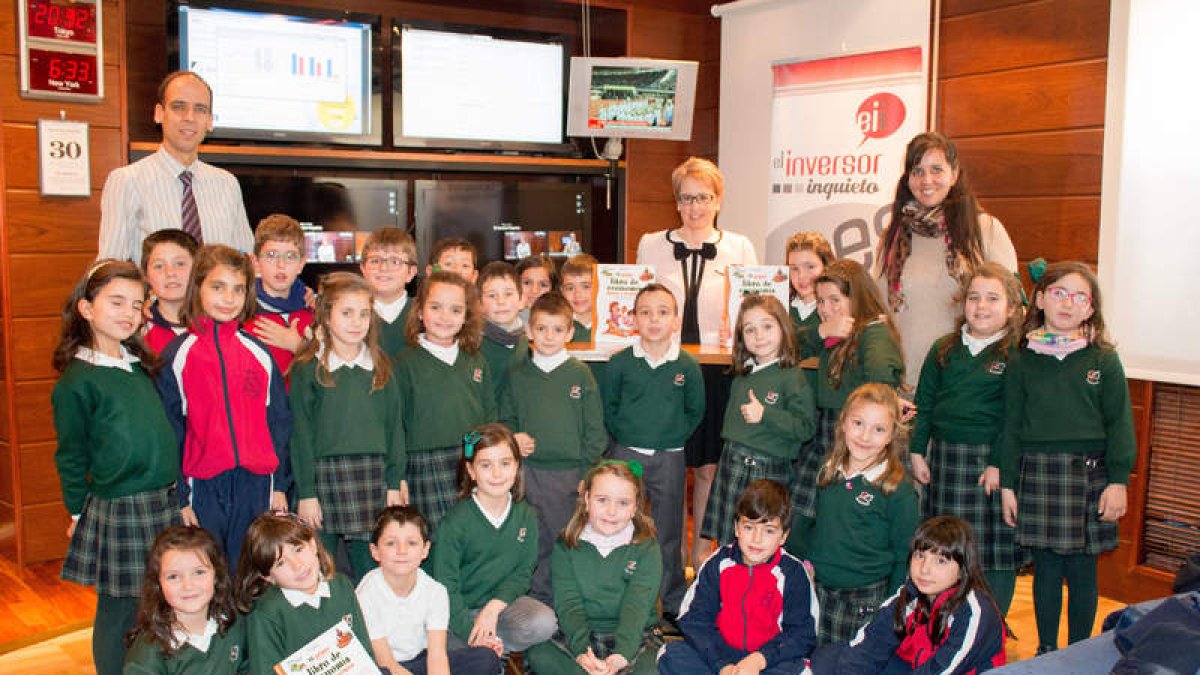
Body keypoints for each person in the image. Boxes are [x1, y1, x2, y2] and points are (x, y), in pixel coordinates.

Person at [51, 260, 181, 674]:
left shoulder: (136, 364)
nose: (129, 313)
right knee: (120, 609)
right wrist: (77, 512)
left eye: (137, 305)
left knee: (155, 601)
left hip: (161, 501)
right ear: (87, 309)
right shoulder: (77, 380)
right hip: (122, 507)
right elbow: (71, 454)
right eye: (117, 302)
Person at [998, 261, 1134, 653]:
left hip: (1088, 475)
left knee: (1081, 569)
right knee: (1046, 568)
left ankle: (1078, 650)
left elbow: (1121, 422)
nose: (1068, 303)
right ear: (1040, 299)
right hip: (1038, 474)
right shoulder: (1022, 359)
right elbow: (1011, 425)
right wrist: (1008, 483)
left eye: (1079, 297)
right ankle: (1046, 650)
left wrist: (1118, 480)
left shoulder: (1102, 359)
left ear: (1090, 308)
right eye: (1058, 293)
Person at [635, 156, 758, 572]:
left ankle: (699, 560)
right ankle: (652, 560)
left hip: (715, 370)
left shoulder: (740, 246)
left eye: (704, 197)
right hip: (663, 366)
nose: (695, 207)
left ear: (718, 200)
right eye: (687, 198)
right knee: (656, 467)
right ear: (676, 202)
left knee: (707, 468)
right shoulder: (651, 244)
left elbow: (753, 307)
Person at [156, 245, 292, 564]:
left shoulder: (259, 354)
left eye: (238, 289)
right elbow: (170, 432)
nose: (228, 299)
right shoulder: (178, 356)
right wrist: (180, 497)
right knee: (209, 570)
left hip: (256, 484)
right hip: (202, 485)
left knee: (251, 572)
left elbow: (279, 425)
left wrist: (279, 485)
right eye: (218, 287)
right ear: (198, 288)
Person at [910, 263, 1025, 614]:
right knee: (945, 547)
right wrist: (917, 450)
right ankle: (945, 618)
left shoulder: (1015, 354)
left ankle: (992, 623)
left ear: (1011, 308)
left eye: (993, 298)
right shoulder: (944, 348)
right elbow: (924, 404)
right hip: (945, 459)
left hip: (989, 463)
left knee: (991, 549)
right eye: (974, 297)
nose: (982, 306)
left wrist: (998, 466)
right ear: (963, 303)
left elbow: (1013, 419)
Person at [875, 131, 1018, 389]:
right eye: (917, 171)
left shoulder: (984, 230)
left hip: (965, 383)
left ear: (954, 175)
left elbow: (1013, 309)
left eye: (936, 169)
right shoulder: (894, 237)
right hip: (902, 383)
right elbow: (879, 309)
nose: (926, 180)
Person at [289, 273, 405, 581]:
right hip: (325, 476)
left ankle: (371, 626)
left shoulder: (380, 365)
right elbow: (300, 433)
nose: (356, 322)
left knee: (371, 568)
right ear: (326, 316)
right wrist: (307, 492)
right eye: (346, 313)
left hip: (372, 475)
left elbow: (395, 428)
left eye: (364, 314)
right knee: (321, 565)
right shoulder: (308, 368)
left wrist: (394, 481)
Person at [603, 283, 704, 621]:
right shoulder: (620, 364)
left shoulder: (687, 366)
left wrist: (672, 437)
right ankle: (617, 593)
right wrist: (626, 437)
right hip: (626, 453)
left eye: (663, 312)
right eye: (645, 312)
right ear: (633, 319)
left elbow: (695, 410)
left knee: (669, 530)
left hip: (670, 457)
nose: (654, 319)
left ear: (675, 320)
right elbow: (610, 406)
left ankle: (671, 599)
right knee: (619, 524)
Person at [500, 293, 606, 603]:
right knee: (534, 540)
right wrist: (514, 437)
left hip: (569, 475)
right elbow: (504, 419)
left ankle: (569, 604)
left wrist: (586, 473)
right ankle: (539, 603)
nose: (549, 336)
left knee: (568, 539)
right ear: (529, 331)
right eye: (542, 328)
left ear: (570, 333)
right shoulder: (518, 375)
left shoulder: (580, 374)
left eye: (557, 329)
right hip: (529, 474)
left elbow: (594, 432)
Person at [795, 383, 920, 645]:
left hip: (865, 601)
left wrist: (893, 606)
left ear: (892, 435)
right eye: (858, 423)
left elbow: (904, 555)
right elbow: (803, 527)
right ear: (843, 422)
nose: (865, 436)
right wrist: (804, 565)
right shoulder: (826, 469)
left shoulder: (898, 491)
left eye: (878, 429)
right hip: (818, 592)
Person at [658, 479, 818, 675]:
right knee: (671, 653)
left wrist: (759, 660)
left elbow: (802, 634)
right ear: (736, 528)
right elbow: (694, 620)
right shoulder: (718, 564)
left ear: (784, 536)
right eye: (749, 527)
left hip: (768, 661)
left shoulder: (793, 573)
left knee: (802, 671)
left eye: (769, 531)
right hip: (720, 656)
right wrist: (722, 664)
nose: (756, 539)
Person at [810, 516, 1007, 674]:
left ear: (963, 568)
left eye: (940, 561)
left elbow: (942, 670)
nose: (925, 569)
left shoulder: (974, 613)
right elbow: (871, 643)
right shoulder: (909, 595)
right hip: (913, 665)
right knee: (830, 657)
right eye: (920, 556)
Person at [525, 460, 664, 675]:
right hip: (580, 633)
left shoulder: (646, 547)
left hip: (634, 634)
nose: (611, 511)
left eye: (623, 503)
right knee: (539, 656)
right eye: (602, 500)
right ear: (587, 500)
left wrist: (621, 656)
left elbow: (636, 607)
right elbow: (569, 604)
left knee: (655, 666)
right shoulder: (566, 545)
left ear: (636, 506)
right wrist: (582, 653)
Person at [792, 259, 904, 523]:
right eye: (820, 301)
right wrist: (822, 330)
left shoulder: (874, 332)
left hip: (853, 438)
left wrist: (859, 436)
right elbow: (787, 349)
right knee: (805, 520)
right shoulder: (838, 332)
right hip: (826, 433)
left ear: (857, 297)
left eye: (835, 300)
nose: (825, 309)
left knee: (833, 519)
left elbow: (879, 390)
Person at [431, 424, 557, 656]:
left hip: (501, 608)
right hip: (458, 612)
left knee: (544, 622)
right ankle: (487, 647)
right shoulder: (454, 524)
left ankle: (492, 644)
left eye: (505, 463)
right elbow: (445, 587)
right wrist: (472, 631)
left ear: (517, 466)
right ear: (471, 471)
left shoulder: (526, 515)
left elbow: (523, 572)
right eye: (486, 465)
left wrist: (493, 608)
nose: (497, 474)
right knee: (460, 657)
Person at [98, 71, 252, 261]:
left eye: (200, 109)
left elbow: (246, 262)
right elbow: (111, 267)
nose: (189, 117)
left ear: (210, 121)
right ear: (159, 114)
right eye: (179, 107)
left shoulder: (227, 185)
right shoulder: (126, 181)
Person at [701, 294, 815, 547]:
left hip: (766, 470)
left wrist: (766, 415)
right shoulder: (743, 373)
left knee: (760, 539)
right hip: (732, 463)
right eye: (749, 329)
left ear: (783, 328)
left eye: (767, 326)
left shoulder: (791, 376)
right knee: (729, 539)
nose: (759, 335)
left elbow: (806, 428)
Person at [395, 271, 495, 529]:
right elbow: (396, 426)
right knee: (436, 536)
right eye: (435, 307)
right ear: (419, 311)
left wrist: (476, 458)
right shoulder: (405, 364)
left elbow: (487, 419)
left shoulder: (476, 360)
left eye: (455, 310)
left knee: (472, 532)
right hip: (424, 464)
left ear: (466, 316)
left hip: (470, 461)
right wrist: (398, 477)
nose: (444, 317)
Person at [356, 506, 501, 675]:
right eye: (391, 543)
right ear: (375, 551)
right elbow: (386, 661)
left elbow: (437, 655)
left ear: (425, 550)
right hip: (382, 667)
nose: (402, 551)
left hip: (420, 661)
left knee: (485, 658)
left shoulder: (435, 591)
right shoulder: (366, 593)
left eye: (411, 543)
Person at [236, 513, 373, 674]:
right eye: (281, 563)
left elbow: (364, 651)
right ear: (268, 577)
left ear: (313, 545)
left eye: (299, 549)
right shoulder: (266, 612)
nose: (297, 565)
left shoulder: (341, 585)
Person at [123, 526, 246, 674]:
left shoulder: (232, 624)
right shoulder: (147, 655)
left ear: (217, 575)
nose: (188, 585)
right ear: (158, 584)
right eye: (173, 576)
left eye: (199, 572)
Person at [246, 214, 314, 378]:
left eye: (290, 256)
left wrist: (298, 346)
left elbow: (331, 371)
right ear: (256, 262)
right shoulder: (242, 313)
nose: (281, 265)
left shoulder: (314, 313)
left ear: (301, 264)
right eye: (271, 255)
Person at [359, 228, 420, 358]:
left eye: (395, 262)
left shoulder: (425, 314)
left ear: (411, 272)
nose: (384, 268)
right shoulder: (349, 314)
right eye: (375, 261)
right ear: (363, 269)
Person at [139, 229, 199, 354]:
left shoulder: (218, 324)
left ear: (198, 268)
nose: (170, 273)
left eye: (180, 263)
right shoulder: (137, 332)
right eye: (159, 266)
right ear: (146, 276)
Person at [478, 261, 529, 403]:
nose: (501, 301)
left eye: (508, 294)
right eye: (492, 295)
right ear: (480, 304)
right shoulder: (473, 345)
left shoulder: (529, 343)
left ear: (521, 300)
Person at [560, 254, 598, 342]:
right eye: (570, 288)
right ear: (562, 291)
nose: (577, 294)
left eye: (586, 286)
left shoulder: (610, 323)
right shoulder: (555, 324)